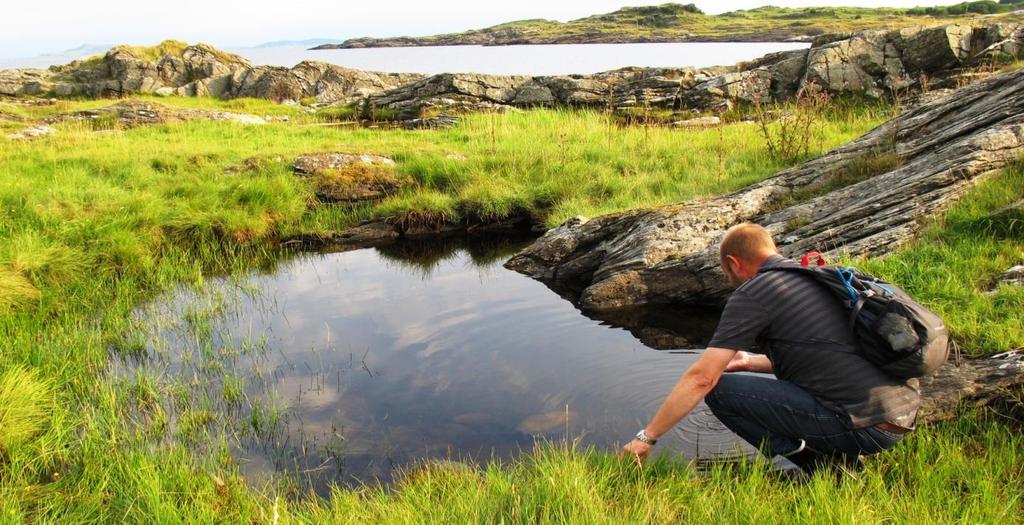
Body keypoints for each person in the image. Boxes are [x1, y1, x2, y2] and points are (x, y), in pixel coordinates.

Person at [620, 222, 920, 475]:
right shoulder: (819, 277)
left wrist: (647, 437)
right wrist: (750, 361)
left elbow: (702, 378)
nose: (730, 282)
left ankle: (826, 468)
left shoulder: (754, 292)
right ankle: (843, 458)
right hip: (901, 418)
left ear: (734, 263)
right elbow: (827, 356)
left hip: (863, 428)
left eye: (727, 275)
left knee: (719, 391)